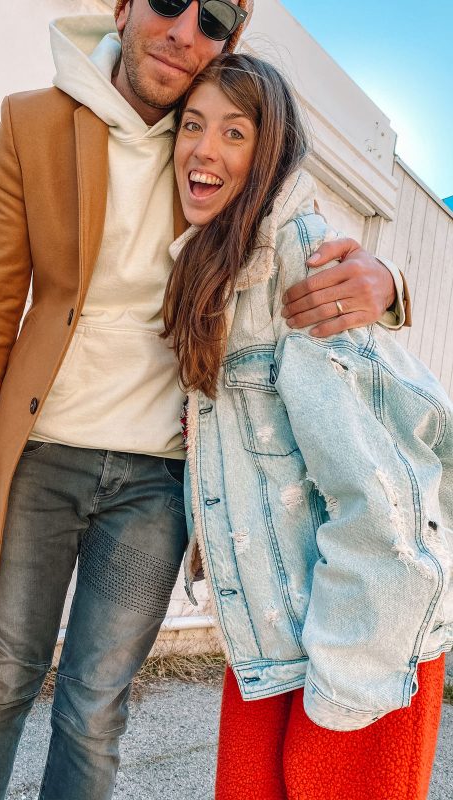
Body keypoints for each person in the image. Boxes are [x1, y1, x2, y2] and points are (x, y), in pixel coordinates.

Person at [0, 2, 409, 798]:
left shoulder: (223, 143)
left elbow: (309, 240)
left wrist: (393, 285)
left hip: (159, 483)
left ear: (232, 40)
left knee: (95, 709)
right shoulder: (34, 123)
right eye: (164, 1)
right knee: (1, 684)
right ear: (120, 8)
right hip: (41, 459)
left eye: (213, 17)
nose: (183, 28)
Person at [164, 52, 452, 799]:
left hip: (360, 641)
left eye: (235, 132)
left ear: (270, 153)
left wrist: (347, 684)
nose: (205, 148)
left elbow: (379, 495)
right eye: (192, 126)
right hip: (272, 635)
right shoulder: (215, 266)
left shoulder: (306, 263)